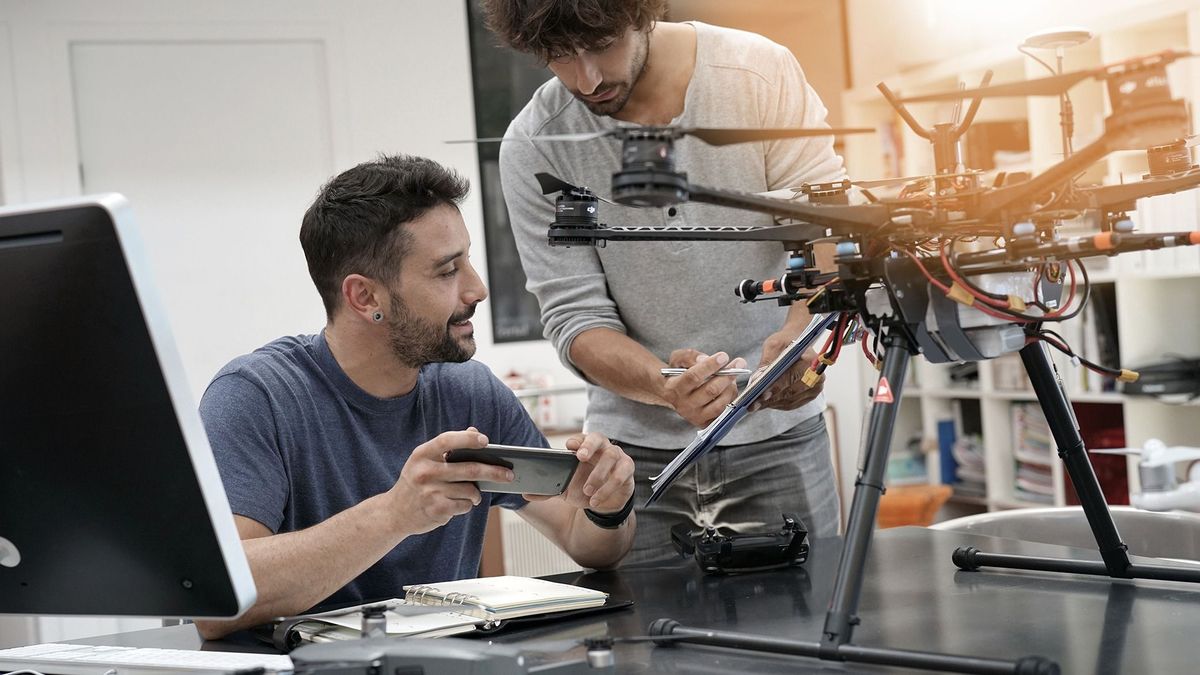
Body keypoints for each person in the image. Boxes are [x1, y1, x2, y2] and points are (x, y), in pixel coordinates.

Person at [194, 154, 635, 638]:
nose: (478, 289)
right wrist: (395, 514)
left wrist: (606, 505)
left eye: (468, 260)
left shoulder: (471, 392)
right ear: (366, 298)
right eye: (448, 271)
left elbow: (586, 542)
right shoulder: (255, 397)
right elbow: (217, 604)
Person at [483, 0, 845, 564]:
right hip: (630, 462)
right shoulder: (534, 144)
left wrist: (801, 337)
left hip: (777, 436)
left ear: (640, 12)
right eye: (558, 57)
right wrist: (665, 387)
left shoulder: (757, 74)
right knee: (644, 641)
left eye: (600, 45)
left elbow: (826, 224)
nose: (588, 79)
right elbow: (574, 318)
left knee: (809, 623)